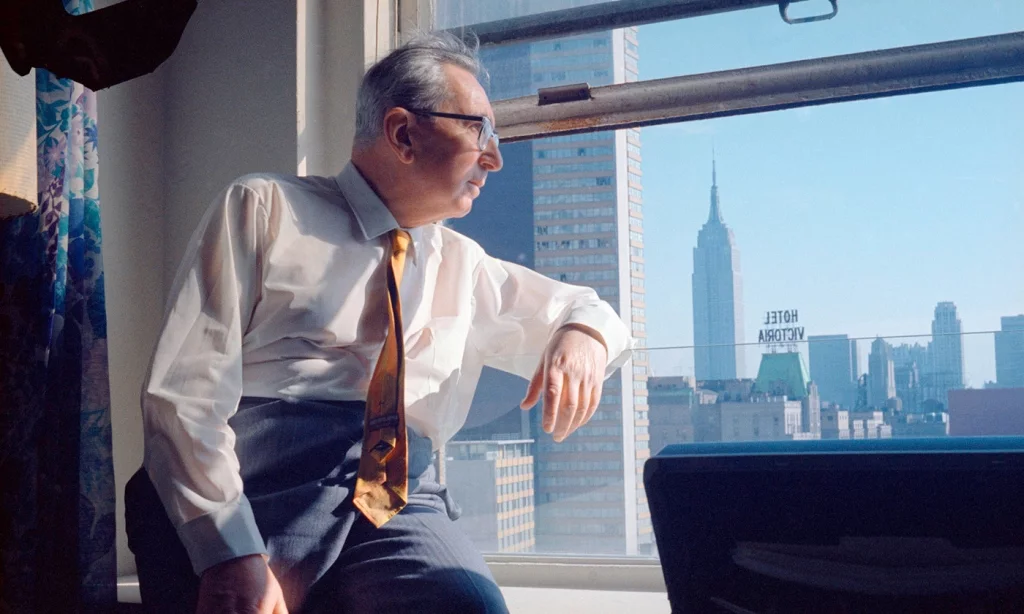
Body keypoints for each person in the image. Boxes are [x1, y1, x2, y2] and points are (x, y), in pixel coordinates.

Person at [125, 31, 633, 614]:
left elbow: (585, 308)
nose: (494, 157)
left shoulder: (462, 263)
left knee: (468, 607)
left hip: (396, 500)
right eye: (479, 131)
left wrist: (582, 336)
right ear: (402, 133)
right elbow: (183, 395)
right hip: (248, 486)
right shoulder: (265, 208)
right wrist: (227, 550)